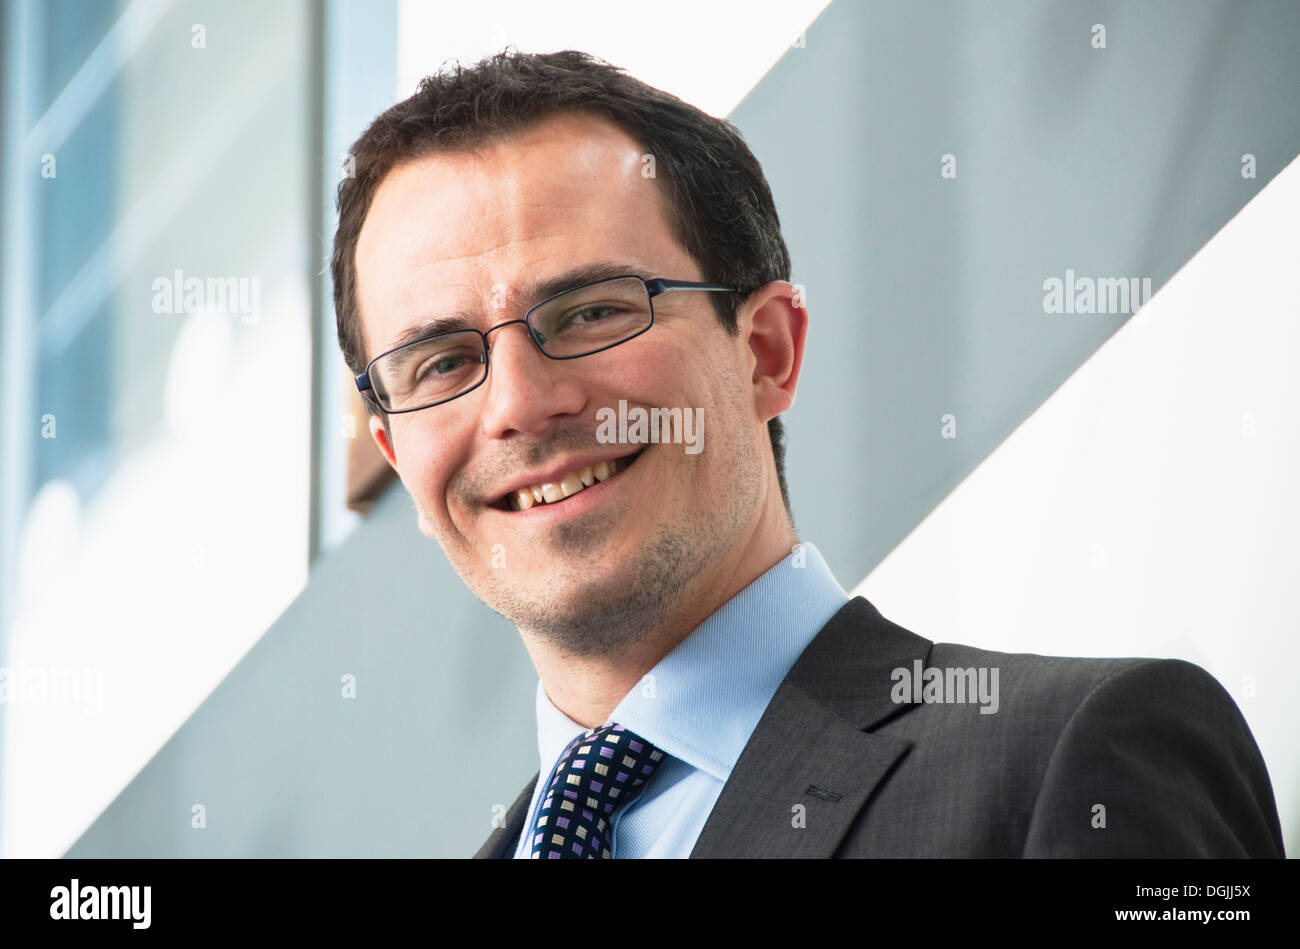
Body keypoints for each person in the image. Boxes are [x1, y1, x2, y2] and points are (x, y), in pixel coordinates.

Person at [330, 49, 1284, 858]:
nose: (519, 405)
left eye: (591, 311)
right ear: (397, 451)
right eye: (442, 360)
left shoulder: (1082, 758)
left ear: (766, 353)